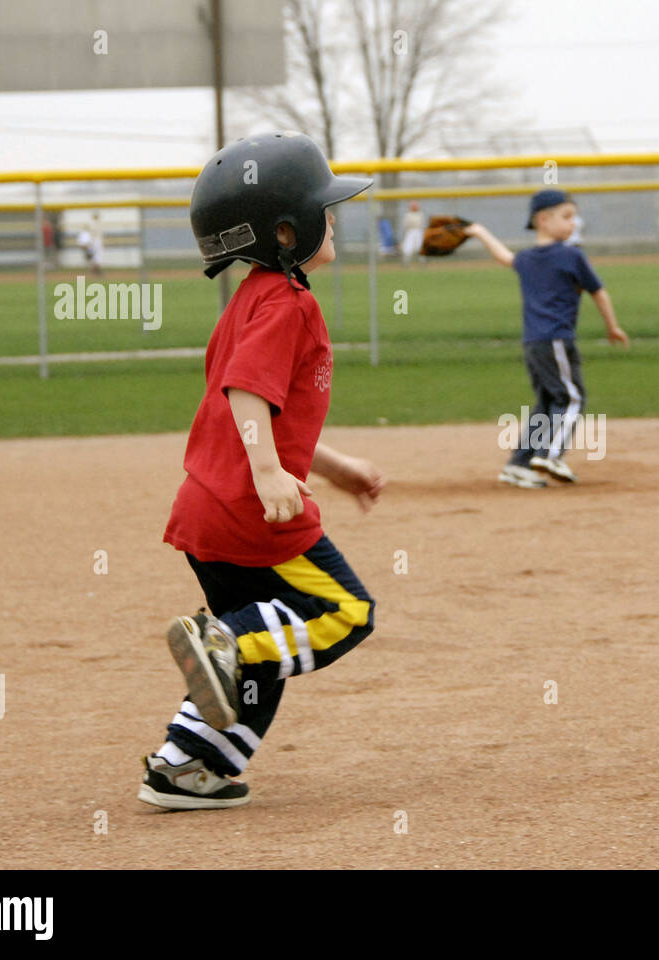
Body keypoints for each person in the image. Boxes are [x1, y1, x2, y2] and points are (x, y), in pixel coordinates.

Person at [139, 132, 384, 809]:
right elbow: (246, 390)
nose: (332, 219)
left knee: (261, 653)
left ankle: (186, 767)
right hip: (253, 510)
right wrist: (271, 474)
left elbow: (254, 406)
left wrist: (329, 467)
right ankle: (223, 642)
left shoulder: (251, 297)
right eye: (321, 209)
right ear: (286, 228)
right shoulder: (290, 303)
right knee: (343, 610)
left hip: (207, 510)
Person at [464, 189, 629, 488]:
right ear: (542, 220)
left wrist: (478, 231)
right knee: (570, 398)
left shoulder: (526, 258)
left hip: (533, 344)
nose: (573, 223)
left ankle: (518, 466)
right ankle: (550, 455)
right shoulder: (571, 255)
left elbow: (504, 257)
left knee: (546, 403)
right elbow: (598, 291)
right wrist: (613, 326)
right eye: (566, 217)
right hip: (556, 341)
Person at [77, 211, 104, 276]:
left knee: (95, 257)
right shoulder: (92, 223)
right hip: (93, 243)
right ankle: (95, 270)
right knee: (94, 257)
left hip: (93, 243)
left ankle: (95, 270)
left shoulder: (96, 223)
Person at [401, 200, 425, 267]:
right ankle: (406, 262)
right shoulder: (408, 215)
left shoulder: (420, 214)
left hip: (418, 231)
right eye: (413, 206)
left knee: (420, 247)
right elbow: (405, 225)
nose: (414, 207)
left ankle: (422, 262)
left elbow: (422, 224)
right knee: (408, 248)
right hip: (410, 231)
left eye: (415, 206)